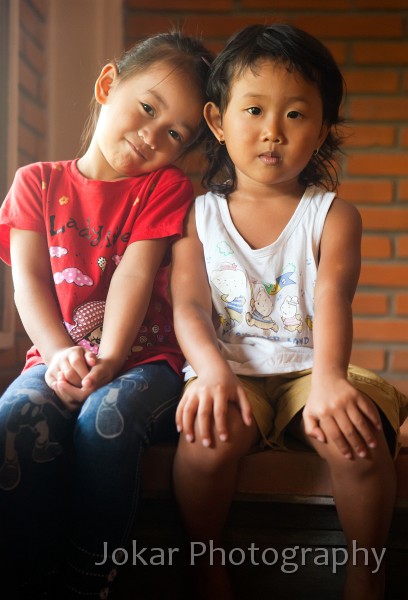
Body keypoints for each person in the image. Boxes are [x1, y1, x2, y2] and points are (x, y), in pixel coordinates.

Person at [170, 23, 408, 600]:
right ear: (217, 121)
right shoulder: (194, 216)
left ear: (323, 128)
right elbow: (190, 306)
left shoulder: (333, 216)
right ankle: (206, 563)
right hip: (231, 370)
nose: (272, 131)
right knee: (207, 439)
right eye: (253, 110)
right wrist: (213, 372)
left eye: (296, 115)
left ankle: (367, 573)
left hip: (310, 369)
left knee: (355, 436)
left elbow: (332, 299)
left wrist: (328, 379)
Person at [0, 31, 213, 599]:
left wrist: (112, 358)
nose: (150, 137)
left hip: (148, 360)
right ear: (106, 85)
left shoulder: (166, 188)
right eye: (147, 107)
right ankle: (28, 577)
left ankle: (91, 578)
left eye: (174, 133)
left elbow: (135, 276)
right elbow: (30, 282)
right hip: (58, 353)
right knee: (15, 415)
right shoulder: (35, 183)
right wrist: (58, 353)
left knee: (104, 421)